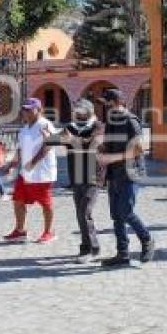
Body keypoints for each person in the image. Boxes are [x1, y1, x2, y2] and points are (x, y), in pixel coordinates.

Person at [97, 89, 155, 267]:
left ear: (116, 102)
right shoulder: (111, 120)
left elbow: (138, 149)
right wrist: (102, 151)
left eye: (107, 102)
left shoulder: (131, 121)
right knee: (116, 215)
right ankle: (122, 253)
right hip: (114, 173)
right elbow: (111, 146)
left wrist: (112, 158)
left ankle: (147, 240)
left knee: (126, 212)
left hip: (131, 173)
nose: (105, 106)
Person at [3, 98, 58, 244]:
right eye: (24, 109)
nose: (25, 112)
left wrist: (33, 162)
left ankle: (49, 232)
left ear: (39, 110)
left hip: (42, 173)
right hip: (25, 173)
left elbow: (50, 144)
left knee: (46, 203)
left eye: (29, 109)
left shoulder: (45, 125)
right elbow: (20, 148)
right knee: (18, 200)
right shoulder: (24, 129)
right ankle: (20, 231)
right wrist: (12, 163)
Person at [57, 99, 102, 262]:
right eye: (75, 111)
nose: (75, 113)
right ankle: (87, 247)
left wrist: (73, 141)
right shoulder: (71, 127)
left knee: (85, 212)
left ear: (88, 112)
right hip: (76, 176)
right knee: (80, 213)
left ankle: (91, 248)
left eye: (79, 111)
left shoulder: (97, 126)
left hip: (92, 176)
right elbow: (55, 140)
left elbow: (93, 145)